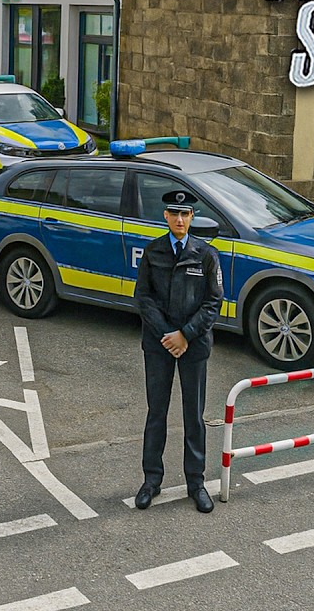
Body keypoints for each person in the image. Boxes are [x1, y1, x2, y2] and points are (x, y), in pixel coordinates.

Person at [132, 190, 223, 513]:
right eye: (174, 214)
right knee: (156, 413)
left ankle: (195, 483)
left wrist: (185, 335)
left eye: (185, 215)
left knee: (193, 417)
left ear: (192, 219)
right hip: (159, 345)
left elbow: (213, 303)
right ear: (166, 217)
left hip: (193, 346)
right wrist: (168, 336)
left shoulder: (206, 255)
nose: (180, 220)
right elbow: (143, 297)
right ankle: (151, 480)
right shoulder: (154, 252)